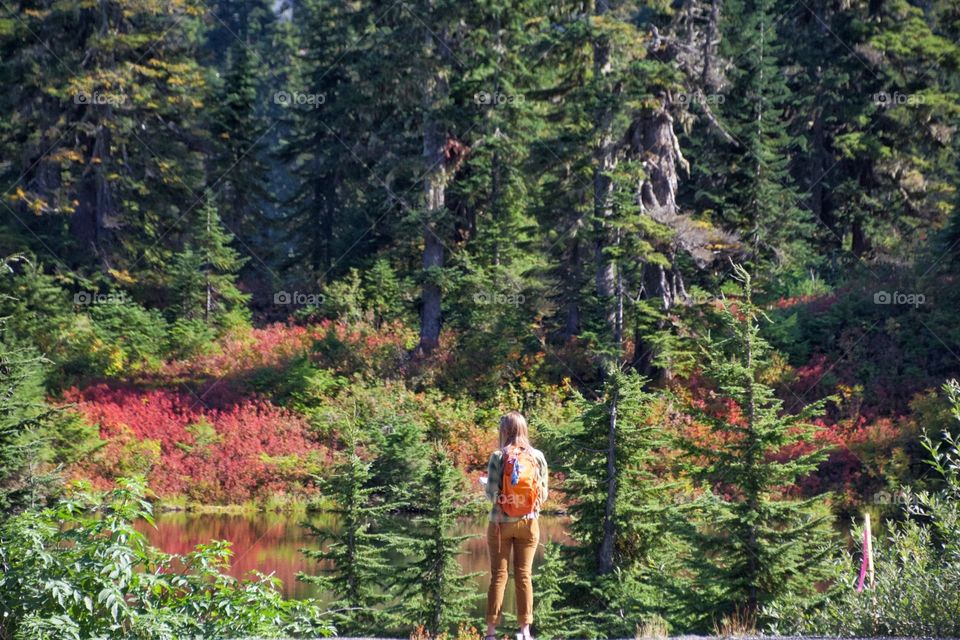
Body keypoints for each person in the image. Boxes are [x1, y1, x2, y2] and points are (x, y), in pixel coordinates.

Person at [482, 411, 549, 640]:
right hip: (529, 524)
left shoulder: (498, 456)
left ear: (505, 430)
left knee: (499, 577)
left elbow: (492, 494)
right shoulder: (537, 456)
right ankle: (525, 632)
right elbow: (544, 494)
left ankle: (491, 633)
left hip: (500, 524)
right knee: (524, 576)